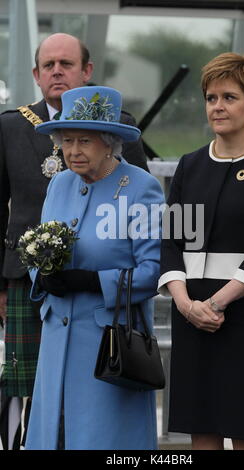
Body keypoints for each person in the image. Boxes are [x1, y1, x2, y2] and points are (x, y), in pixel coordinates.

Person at [0, 33, 148, 448]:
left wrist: (93, 279)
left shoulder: (126, 141)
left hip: (101, 307)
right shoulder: (12, 126)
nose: (57, 72)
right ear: (36, 74)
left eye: (66, 64)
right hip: (33, 291)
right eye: (49, 65)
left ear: (87, 70)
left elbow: (137, 207)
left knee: (92, 413)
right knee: (23, 391)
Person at [158, 52, 244, 451]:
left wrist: (216, 304)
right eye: (211, 97)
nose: (217, 106)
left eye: (229, 97)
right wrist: (186, 305)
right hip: (191, 313)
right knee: (200, 430)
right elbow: (171, 240)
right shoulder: (190, 166)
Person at [24, 85, 163, 450]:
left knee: (101, 441)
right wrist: (43, 276)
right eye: (67, 141)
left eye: (84, 141)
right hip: (57, 340)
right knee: (54, 436)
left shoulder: (140, 187)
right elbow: (39, 248)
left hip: (108, 345)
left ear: (109, 142)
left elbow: (153, 270)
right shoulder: (60, 184)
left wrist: (91, 281)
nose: (72, 151)